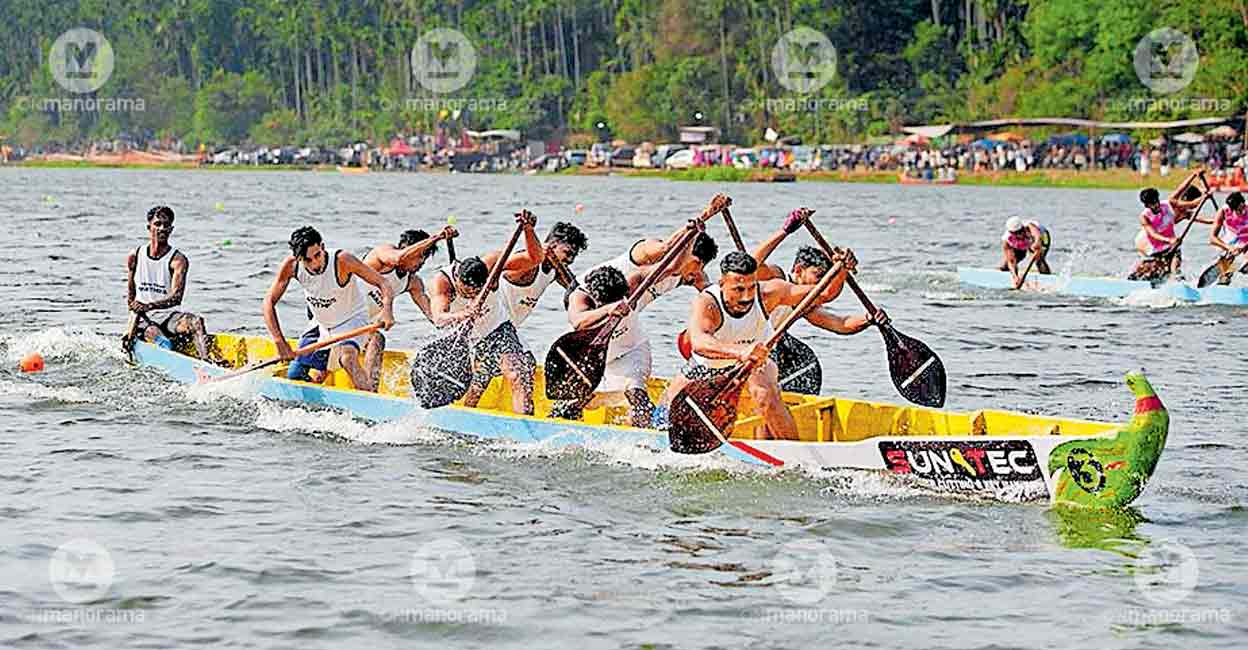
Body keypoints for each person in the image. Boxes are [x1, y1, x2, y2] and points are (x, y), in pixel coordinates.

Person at [659, 250, 854, 440]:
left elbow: (825, 293)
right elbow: (700, 342)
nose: (746, 297)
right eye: (738, 289)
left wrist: (842, 269)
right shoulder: (707, 303)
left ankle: (796, 455)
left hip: (755, 362)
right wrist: (740, 352)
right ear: (722, 284)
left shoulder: (770, 292)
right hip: (709, 363)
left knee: (765, 393)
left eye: (751, 288)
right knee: (668, 411)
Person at [427, 212, 537, 414]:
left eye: (476, 292)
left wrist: (529, 230)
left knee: (517, 373)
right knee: (477, 386)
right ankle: (466, 416)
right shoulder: (443, 282)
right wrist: (462, 314)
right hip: (468, 338)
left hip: (498, 329)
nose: (471, 295)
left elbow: (534, 259)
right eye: (466, 292)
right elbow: (438, 318)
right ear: (458, 278)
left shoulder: (492, 264)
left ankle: (527, 426)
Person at [262, 226, 396, 392]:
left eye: (317, 255)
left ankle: (371, 400)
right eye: (307, 260)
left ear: (322, 247)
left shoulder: (342, 260)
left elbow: (384, 283)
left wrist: (387, 311)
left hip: (352, 319)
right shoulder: (291, 266)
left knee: (347, 358)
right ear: (297, 259)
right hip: (321, 325)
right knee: (295, 376)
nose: (315, 264)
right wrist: (279, 341)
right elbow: (268, 301)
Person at [548, 265, 655, 427]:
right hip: (590, 354)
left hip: (630, 350)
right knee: (570, 404)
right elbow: (578, 322)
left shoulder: (631, 282)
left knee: (636, 394)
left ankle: (647, 436)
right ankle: (560, 427)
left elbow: (669, 268)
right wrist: (608, 309)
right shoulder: (580, 296)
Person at [752, 208, 889, 334]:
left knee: (807, 358)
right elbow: (752, 263)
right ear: (799, 269)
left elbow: (840, 324)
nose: (822, 282)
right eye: (819, 276)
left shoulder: (806, 303)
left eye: (826, 278)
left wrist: (868, 319)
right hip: (736, 330)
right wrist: (785, 230)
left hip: (759, 343)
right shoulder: (775, 277)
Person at [123, 205, 210, 359]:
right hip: (144, 319)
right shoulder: (135, 256)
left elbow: (176, 298)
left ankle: (207, 363)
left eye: (166, 225)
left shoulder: (178, 260)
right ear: (149, 227)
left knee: (197, 322)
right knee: (163, 343)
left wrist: (150, 305)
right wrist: (132, 325)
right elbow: (131, 299)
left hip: (168, 317)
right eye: (157, 224)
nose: (162, 228)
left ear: (171, 229)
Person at [999, 216, 1052, 287]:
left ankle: (1048, 280)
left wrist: (1037, 243)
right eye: (1016, 233)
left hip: (1042, 237)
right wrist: (1015, 277)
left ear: (1023, 228)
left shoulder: (1029, 226)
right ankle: (1015, 280)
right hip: (1023, 243)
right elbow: (1011, 260)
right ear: (1011, 233)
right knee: (1005, 266)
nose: (1019, 235)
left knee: (1039, 260)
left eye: (1020, 231)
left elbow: (1037, 236)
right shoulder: (1007, 240)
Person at [1209, 192, 1248, 283]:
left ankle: (1242, 269)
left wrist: (1245, 246)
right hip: (1231, 241)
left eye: (1240, 209)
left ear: (1243, 204)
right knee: (1226, 275)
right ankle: (1225, 277)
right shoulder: (1223, 211)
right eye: (1234, 210)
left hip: (1246, 240)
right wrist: (1229, 247)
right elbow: (1212, 238)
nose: (1238, 212)